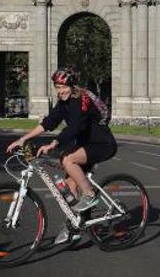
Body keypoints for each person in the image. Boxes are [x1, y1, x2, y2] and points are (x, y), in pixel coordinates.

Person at [7, 67, 118, 244]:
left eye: (63, 87)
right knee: (67, 190)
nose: (60, 91)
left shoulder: (81, 100)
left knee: (68, 159)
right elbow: (48, 123)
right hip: (84, 145)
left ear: (72, 85)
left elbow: (75, 128)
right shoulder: (63, 102)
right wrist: (23, 139)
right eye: (57, 87)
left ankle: (90, 196)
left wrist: (54, 143)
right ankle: (75, 227)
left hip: (102, 144)